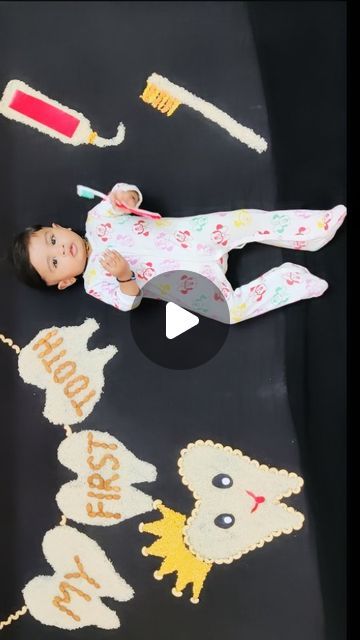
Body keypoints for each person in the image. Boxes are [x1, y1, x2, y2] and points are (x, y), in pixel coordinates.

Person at [10, 182, 346, 324]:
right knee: (230, 312)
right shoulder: (96, 282)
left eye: (52, 239)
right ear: (66, 281)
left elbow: (124, 197)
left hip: (194, 237)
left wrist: (126, 197)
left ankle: (312, 231)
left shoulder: (97, 220)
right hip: (187, 282)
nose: (61, 249)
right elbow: (130, 301)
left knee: (245, 220)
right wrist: (125, 276)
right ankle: (289, 282)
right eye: (55, 262)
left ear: (57, 226)